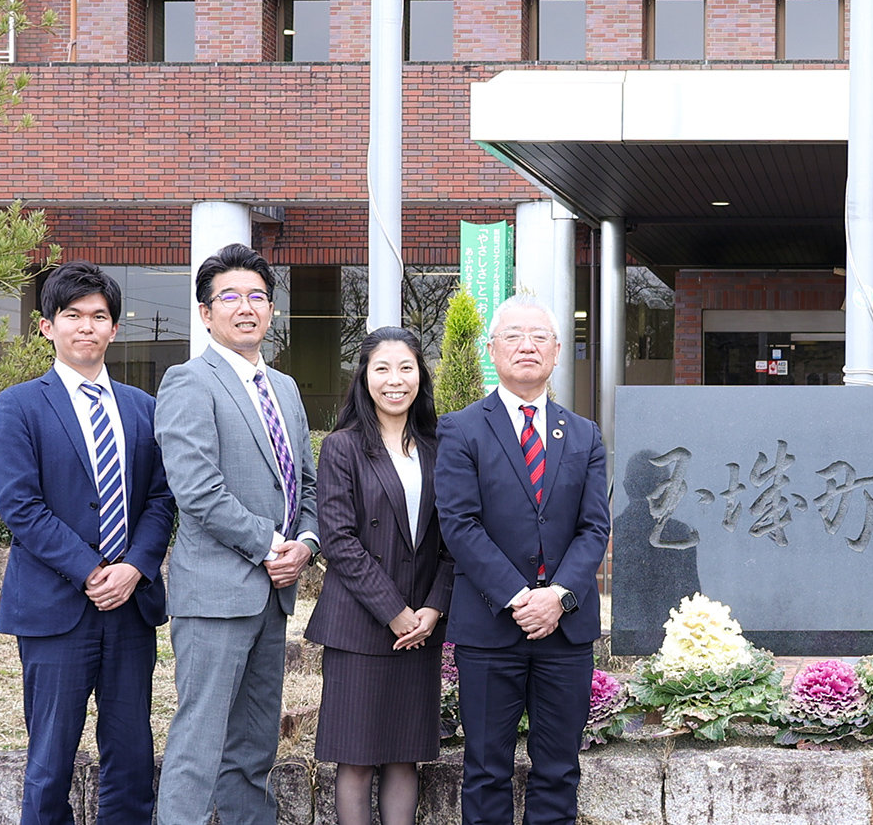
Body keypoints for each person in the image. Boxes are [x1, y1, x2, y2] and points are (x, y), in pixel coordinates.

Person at [0, 261, 175, 825]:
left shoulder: (144, 409)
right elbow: (21, 506)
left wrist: (136, 568)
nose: (86, 327)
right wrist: (94, 571)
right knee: (50, 760)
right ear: (47, 326)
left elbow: (161, 499)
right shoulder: (19, 405)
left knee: (132, 757)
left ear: (115, 328)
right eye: (72, 315)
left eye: (99, 316)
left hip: (130, 608)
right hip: (55, 608)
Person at [153, 242, 320, 825]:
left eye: (258, 296)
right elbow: (196, 489)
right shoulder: (188, 382)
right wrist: (269, 543)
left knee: (254, 752)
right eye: (230, 297)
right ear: (205, 312)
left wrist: (305, 543)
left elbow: (308, 485)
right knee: (199, 748)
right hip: (217, 596)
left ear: (271, 310)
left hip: (273, 596)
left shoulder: (287, 389)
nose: (246, 307)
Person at [435, 295, 610, 825]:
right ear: (493, 349)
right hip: (489, 629)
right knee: (486, 769)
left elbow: (594, 527)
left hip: (566, 630)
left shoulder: (584, 434)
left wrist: (556, 597)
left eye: (539, 336)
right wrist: (519, 598)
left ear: (558, 351)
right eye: (513, 335)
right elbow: (459, 524)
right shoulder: (461, 429)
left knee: (559, 768)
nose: (527, 345)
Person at [304, 327, 454, 824]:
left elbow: (453, 539)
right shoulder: (343, 448)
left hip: (421, 628)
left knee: (403, 756)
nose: (395, 380)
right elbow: (339, 540)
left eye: (406, 368)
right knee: (357, 760)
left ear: (420, 375)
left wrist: (432, 607)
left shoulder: (439, 447)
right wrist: (395, 612)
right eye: (382, 368)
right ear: (364, 377)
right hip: (362, 626)